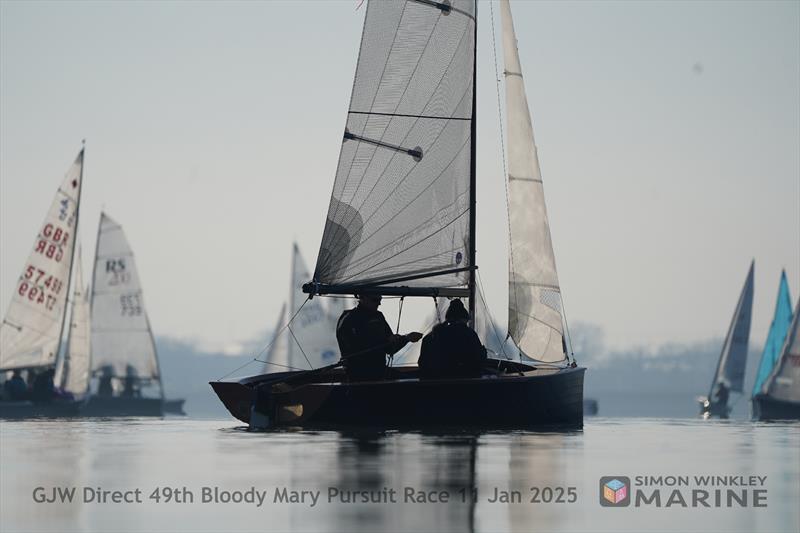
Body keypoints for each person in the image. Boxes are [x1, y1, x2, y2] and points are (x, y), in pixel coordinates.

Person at [336, 294, 423, 381]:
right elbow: (355, 347)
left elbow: (389, 348)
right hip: (359, 375)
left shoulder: (378, 316)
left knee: (416, 379)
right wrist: (387, 341)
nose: (379, 303)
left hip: (380, 372)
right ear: (362, 298)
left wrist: (407, 338)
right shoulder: (348, 318)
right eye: (375, 300)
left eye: (380, 300)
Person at [418, 299, 487, 379]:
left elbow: (423, 363)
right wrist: (483, 353)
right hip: (463, 384)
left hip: (432, 383)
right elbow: (477, 361)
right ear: (464, 319)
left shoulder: (432, 335)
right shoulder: (469, 334)